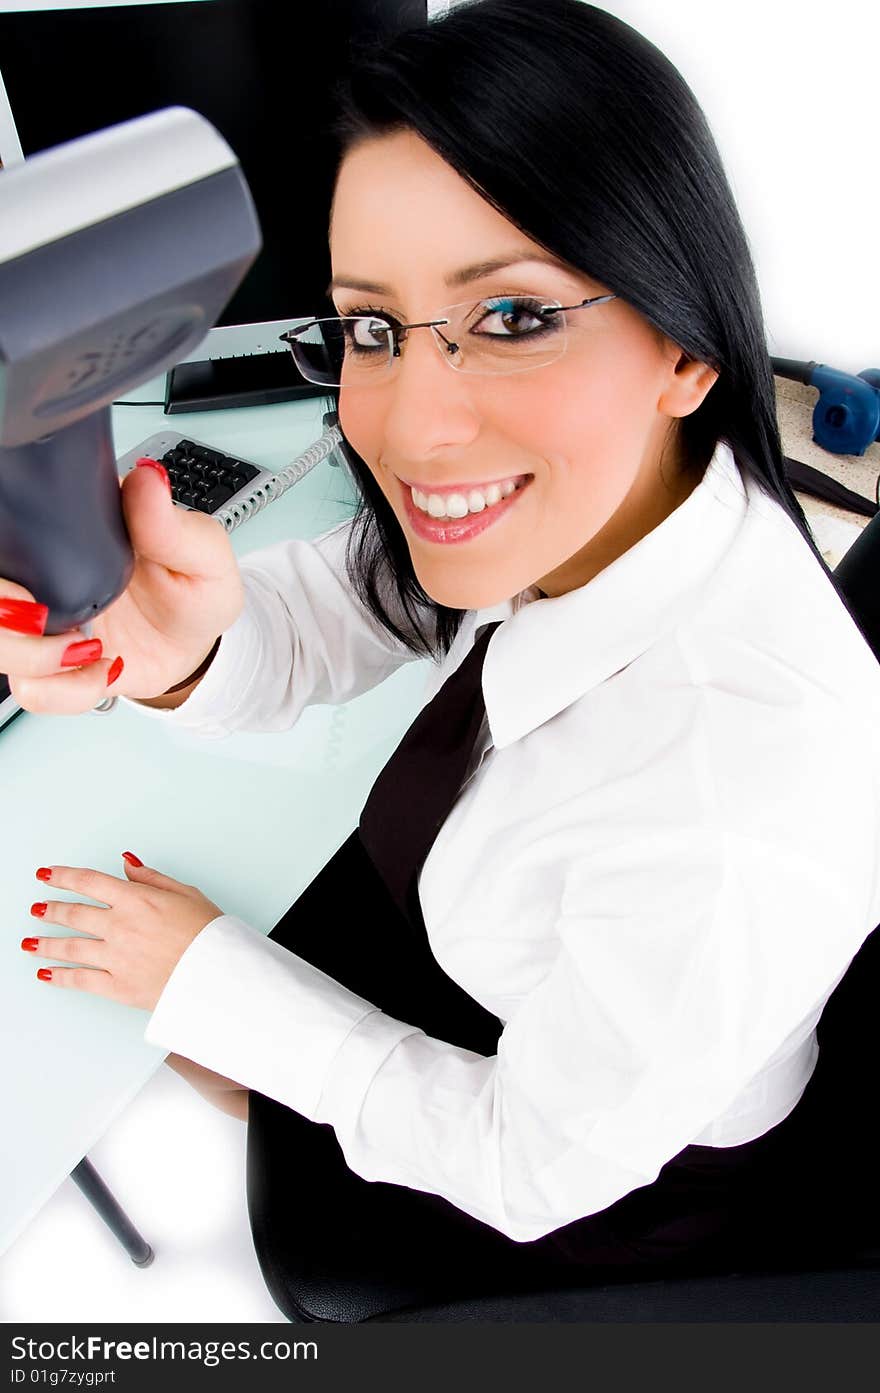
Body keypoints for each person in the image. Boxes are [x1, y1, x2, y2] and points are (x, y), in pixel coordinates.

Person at [6, 0, 880, 1321]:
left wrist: (220, 986)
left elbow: (524, 1165)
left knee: (180, 1016)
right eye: (369, 326)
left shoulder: (733, 808)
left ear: (687, 348)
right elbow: (390, 597)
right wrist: (179, 643)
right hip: (503, 950)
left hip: (590, 1183)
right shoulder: (638, 496)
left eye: (516, 315)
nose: (411, 423)